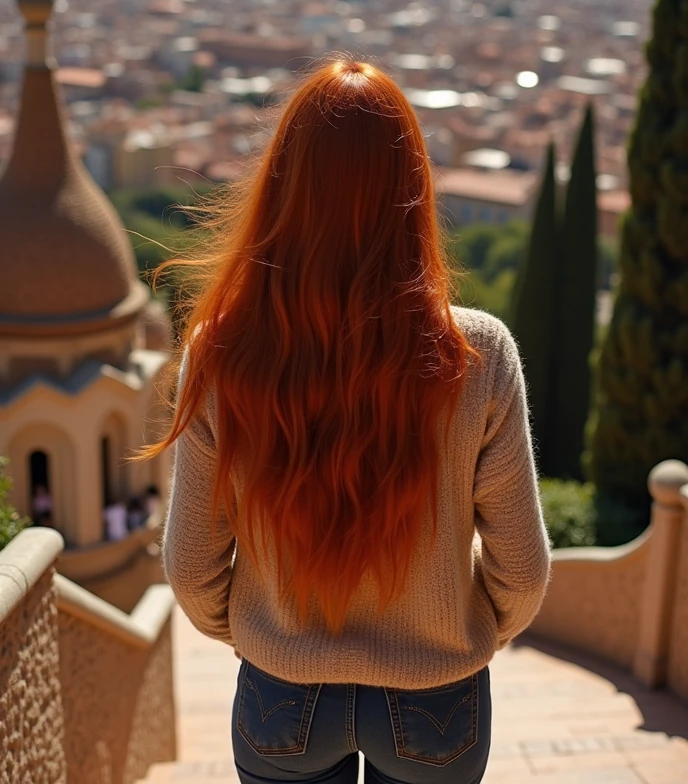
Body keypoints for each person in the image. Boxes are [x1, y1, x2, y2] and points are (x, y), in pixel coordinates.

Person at [147, 60, 551, 784]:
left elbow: (189, 569)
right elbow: (521, 572)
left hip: (283, 697)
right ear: (414, 189)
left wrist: (265, 635)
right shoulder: (479, 354)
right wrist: (461, 635)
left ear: (282, 187)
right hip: (439, 698)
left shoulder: (221, 351)